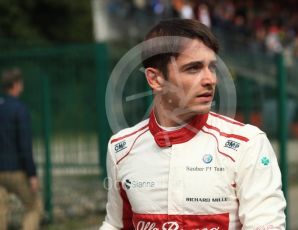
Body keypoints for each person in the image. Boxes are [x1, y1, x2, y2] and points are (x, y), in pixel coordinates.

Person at [100, 19, 286, 230]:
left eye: (212, 67)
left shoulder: (247, 144)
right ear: (155, 79)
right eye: (193, 68)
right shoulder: (120, 147)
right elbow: (115, 224)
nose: (210, 79)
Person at [0, 68, 42, 230]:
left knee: (1, 210)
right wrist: (31, 174)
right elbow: (24, 144)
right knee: (33, 207)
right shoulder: (19, 108)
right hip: (16, 171)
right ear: (16, 85)